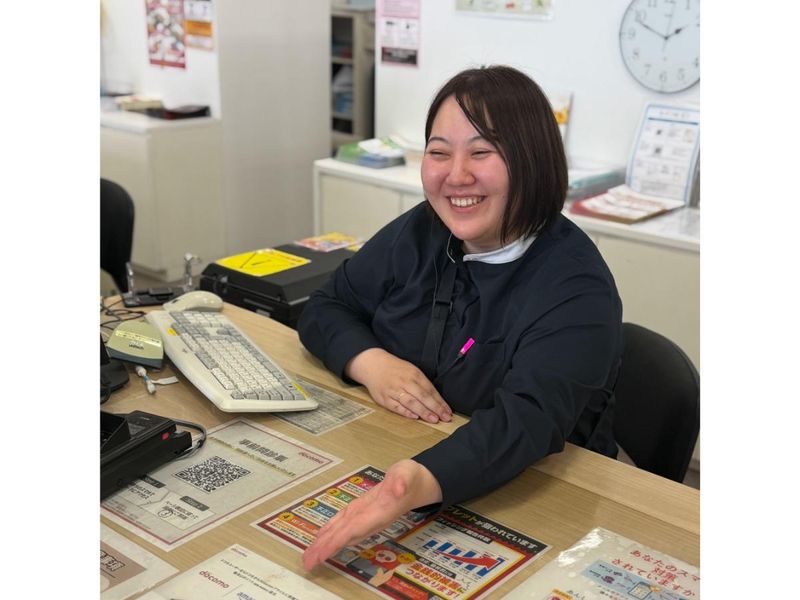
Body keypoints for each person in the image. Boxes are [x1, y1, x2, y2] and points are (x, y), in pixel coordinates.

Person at [298, 65, 623, 570]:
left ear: (532, 160)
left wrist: (413, 484)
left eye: (481, 152)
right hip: (397, 448)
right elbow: (325, 306)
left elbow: (526, 421)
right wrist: (370, 362)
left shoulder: (577, 286)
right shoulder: (423, 230)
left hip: (538, 499)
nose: (456, 175)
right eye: (439, 152)